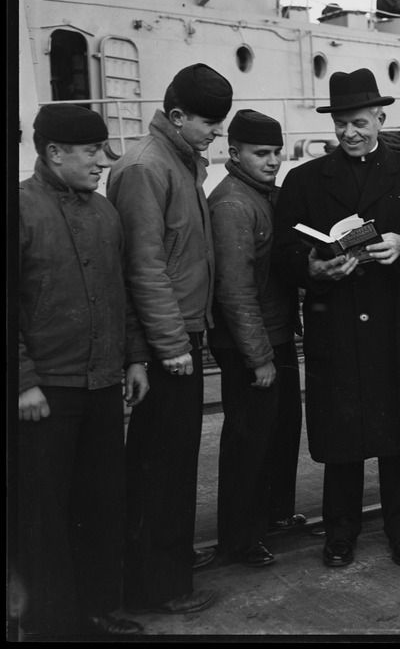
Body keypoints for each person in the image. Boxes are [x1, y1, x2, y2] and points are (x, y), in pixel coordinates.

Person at [273, 68, 400, 570]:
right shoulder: (305, 180)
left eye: (359, 122)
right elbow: (283, 251)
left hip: (398, 325)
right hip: (338, 325)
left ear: (380, 117)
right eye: (342, 125)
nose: (350, 133)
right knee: (343, 442)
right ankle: (340, 534)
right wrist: (311, 267)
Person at [16, 104, 150, 638]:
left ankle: (97, 611)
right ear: (53, 153)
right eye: (92, 151)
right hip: (45, 392)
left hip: (102, 385)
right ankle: (50, 626)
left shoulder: (104, 213)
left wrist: (135, 356)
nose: (103, 162)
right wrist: (22, 380)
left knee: (100, 504)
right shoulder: (21, 210)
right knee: (44, 516)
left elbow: (123, 293)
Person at [107, 62, 233, 615]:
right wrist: (171, 345)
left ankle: (168, 560)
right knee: (160, 465)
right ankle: (158, 585)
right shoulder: (147, 168)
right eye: (209, 123)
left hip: (179, 334)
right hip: (168, 344)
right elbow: (144, 267)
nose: (215, 133)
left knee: (174, 460)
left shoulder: (177, 162)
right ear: (176, 116)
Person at [207, 110, 305, 570]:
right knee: (250, 443)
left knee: (280, 434)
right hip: (252, 345)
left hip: (275, 335)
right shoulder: (233, 204)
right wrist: (259, 358)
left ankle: (273, 517)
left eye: (276, 152)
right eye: (260, 154)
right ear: (234, 154)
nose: (272, 161)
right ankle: (240, 539)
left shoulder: (262, 194)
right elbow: (235, 289)